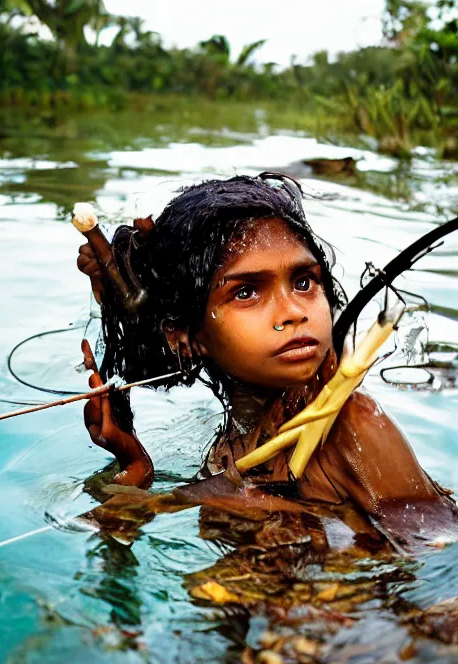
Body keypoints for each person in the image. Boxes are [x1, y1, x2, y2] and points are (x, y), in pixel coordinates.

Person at [77, 174, 458, 553]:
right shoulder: (233, 441)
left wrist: (282, 514)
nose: (293, 311)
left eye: (304, 282)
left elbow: (438, 559)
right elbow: (161, 515)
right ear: (184, 336)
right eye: (246, 292)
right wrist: (137, 466)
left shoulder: (352, 427)